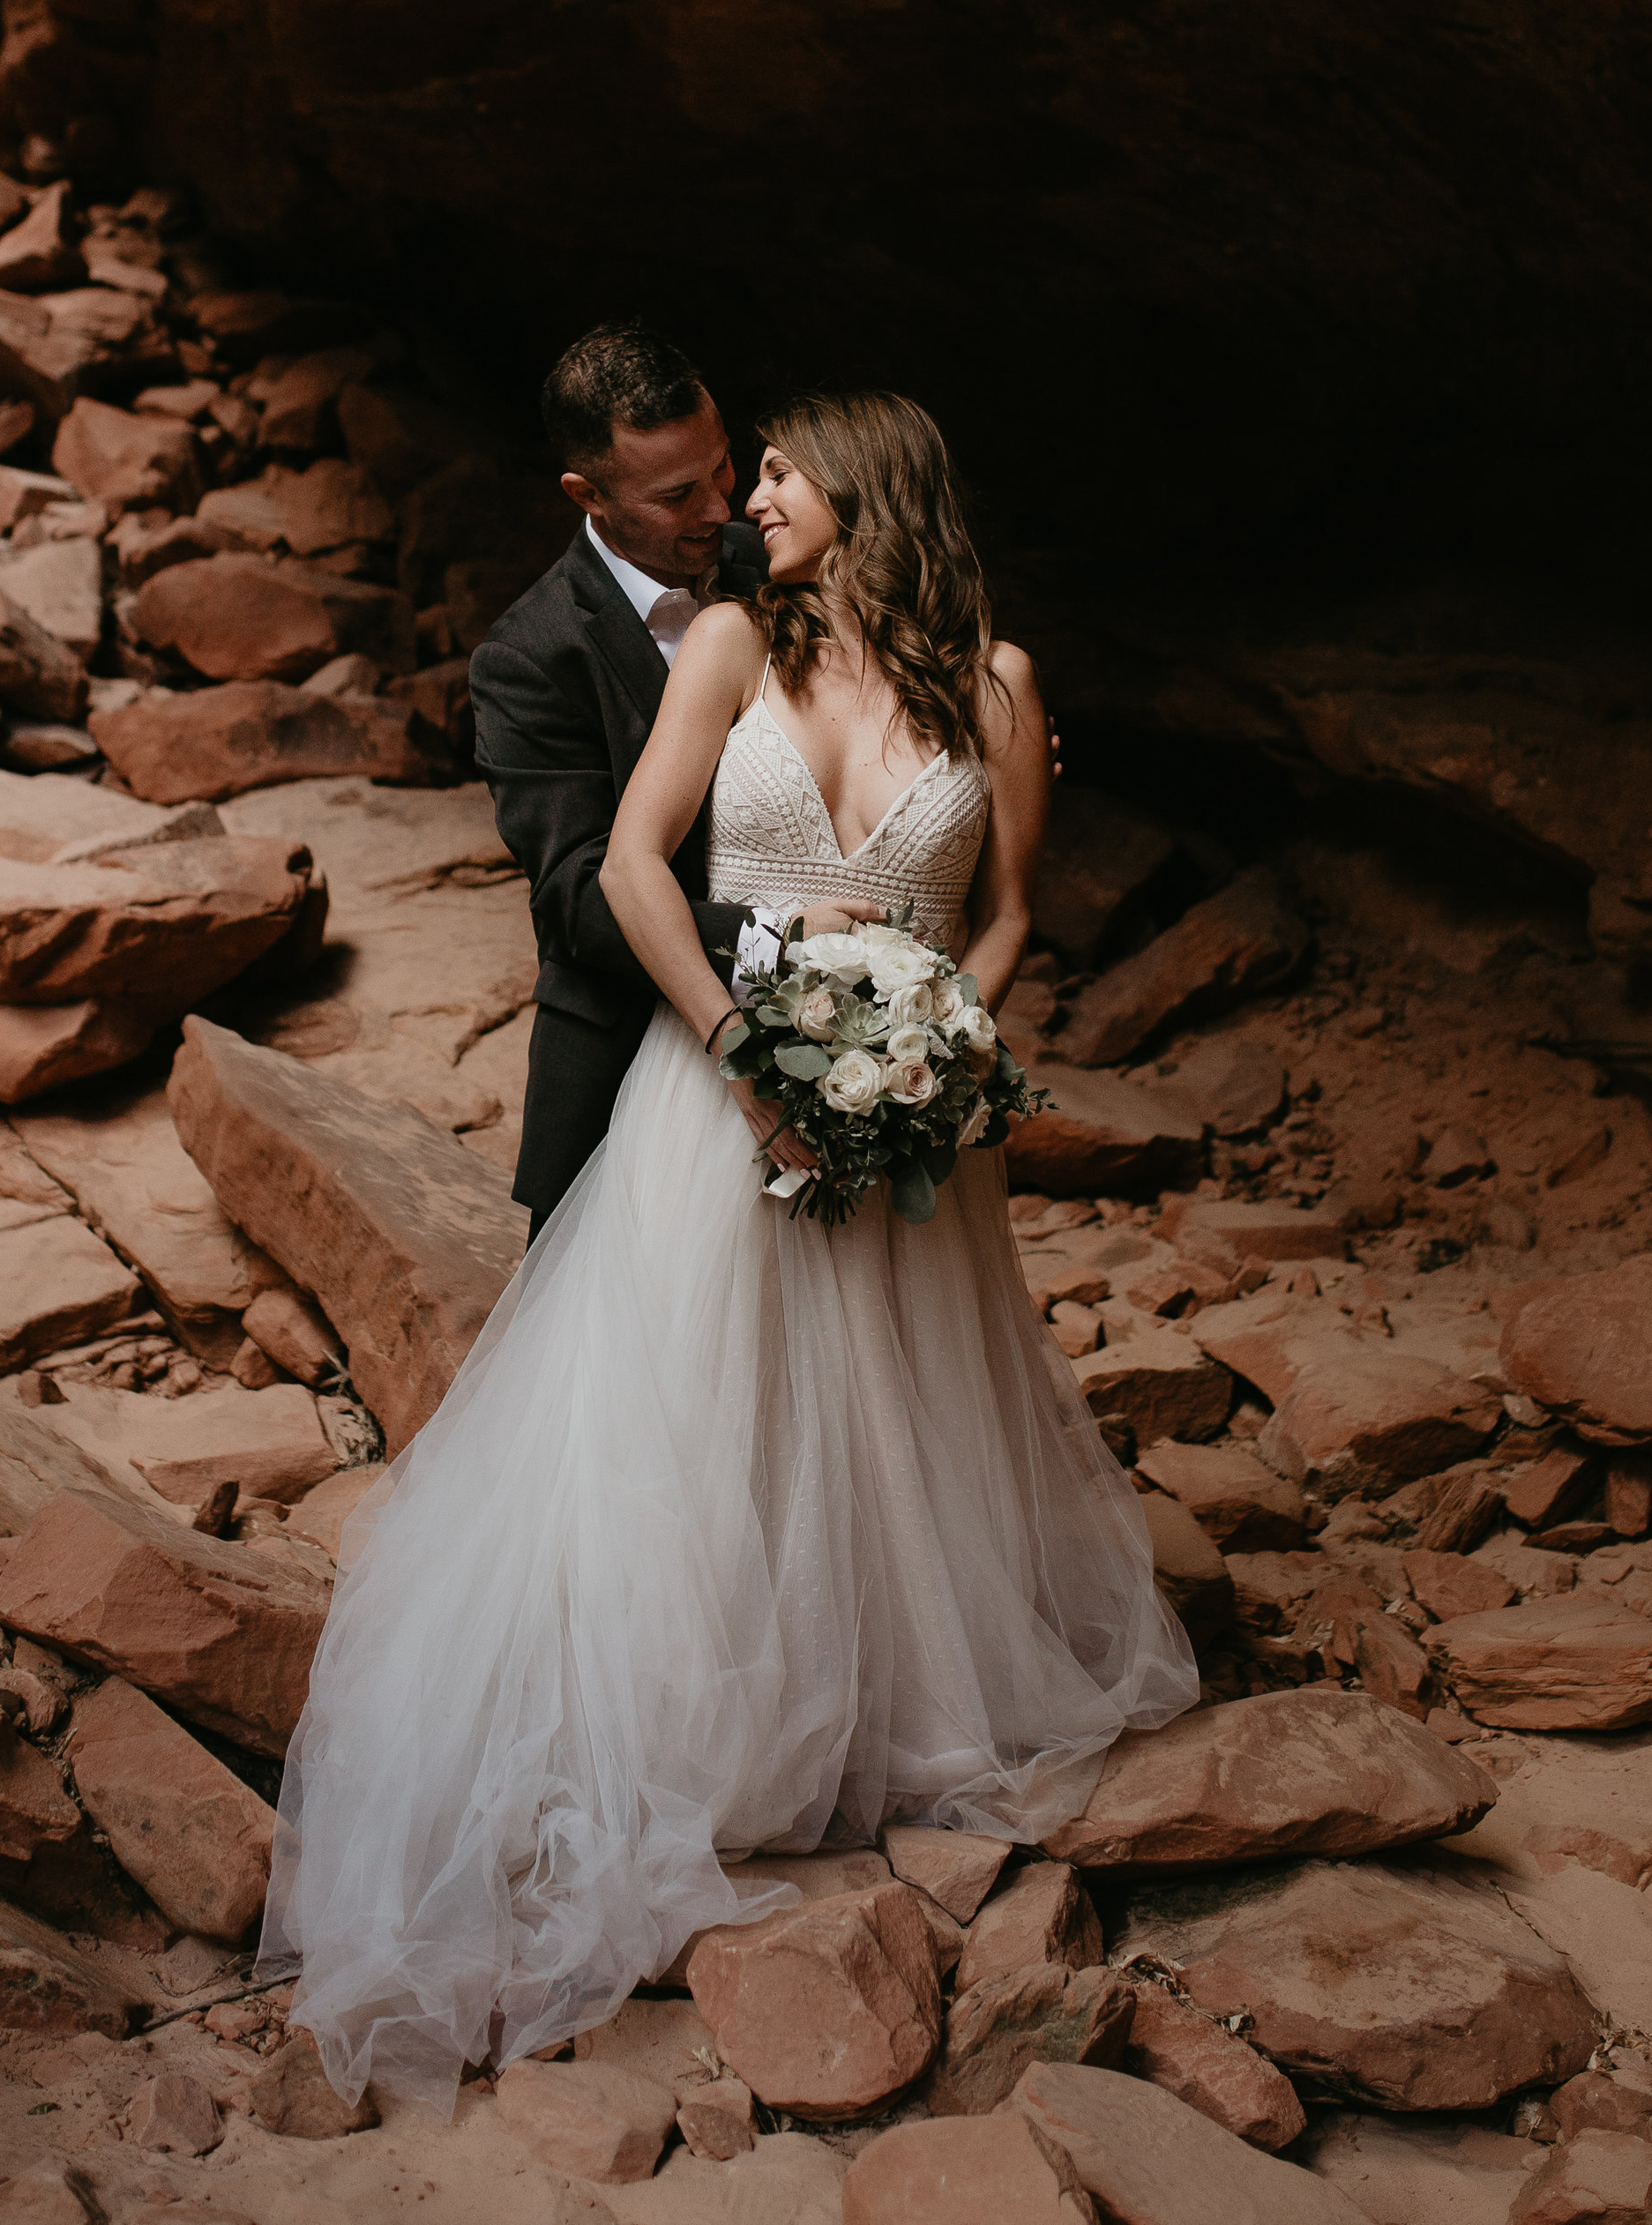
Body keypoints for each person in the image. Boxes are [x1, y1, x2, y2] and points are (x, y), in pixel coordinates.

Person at [262, 387, 1198, 2113]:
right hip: (718, 1102)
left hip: (902, 1118)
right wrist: (754, 1060)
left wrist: (926, 1051)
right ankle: (708, 1730)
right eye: (748, 469)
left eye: (777, 471)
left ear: (864, 490)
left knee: (898, 1412)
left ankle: (889, 1703)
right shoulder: (717, 649)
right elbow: (625, 867)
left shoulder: (993, 684)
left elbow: (997, 914)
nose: (751, 496)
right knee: (708, 1418)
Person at [469, 320, 882, 1241]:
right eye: (674, 494)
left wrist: (978, 759)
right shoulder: (530, 657)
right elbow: (577, 896)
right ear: (587, 493)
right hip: (626, 1059)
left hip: (833, 1043)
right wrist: (774, 939)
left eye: (723, 469)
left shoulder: (775, 563)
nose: (716, 509)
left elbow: (880, 701)